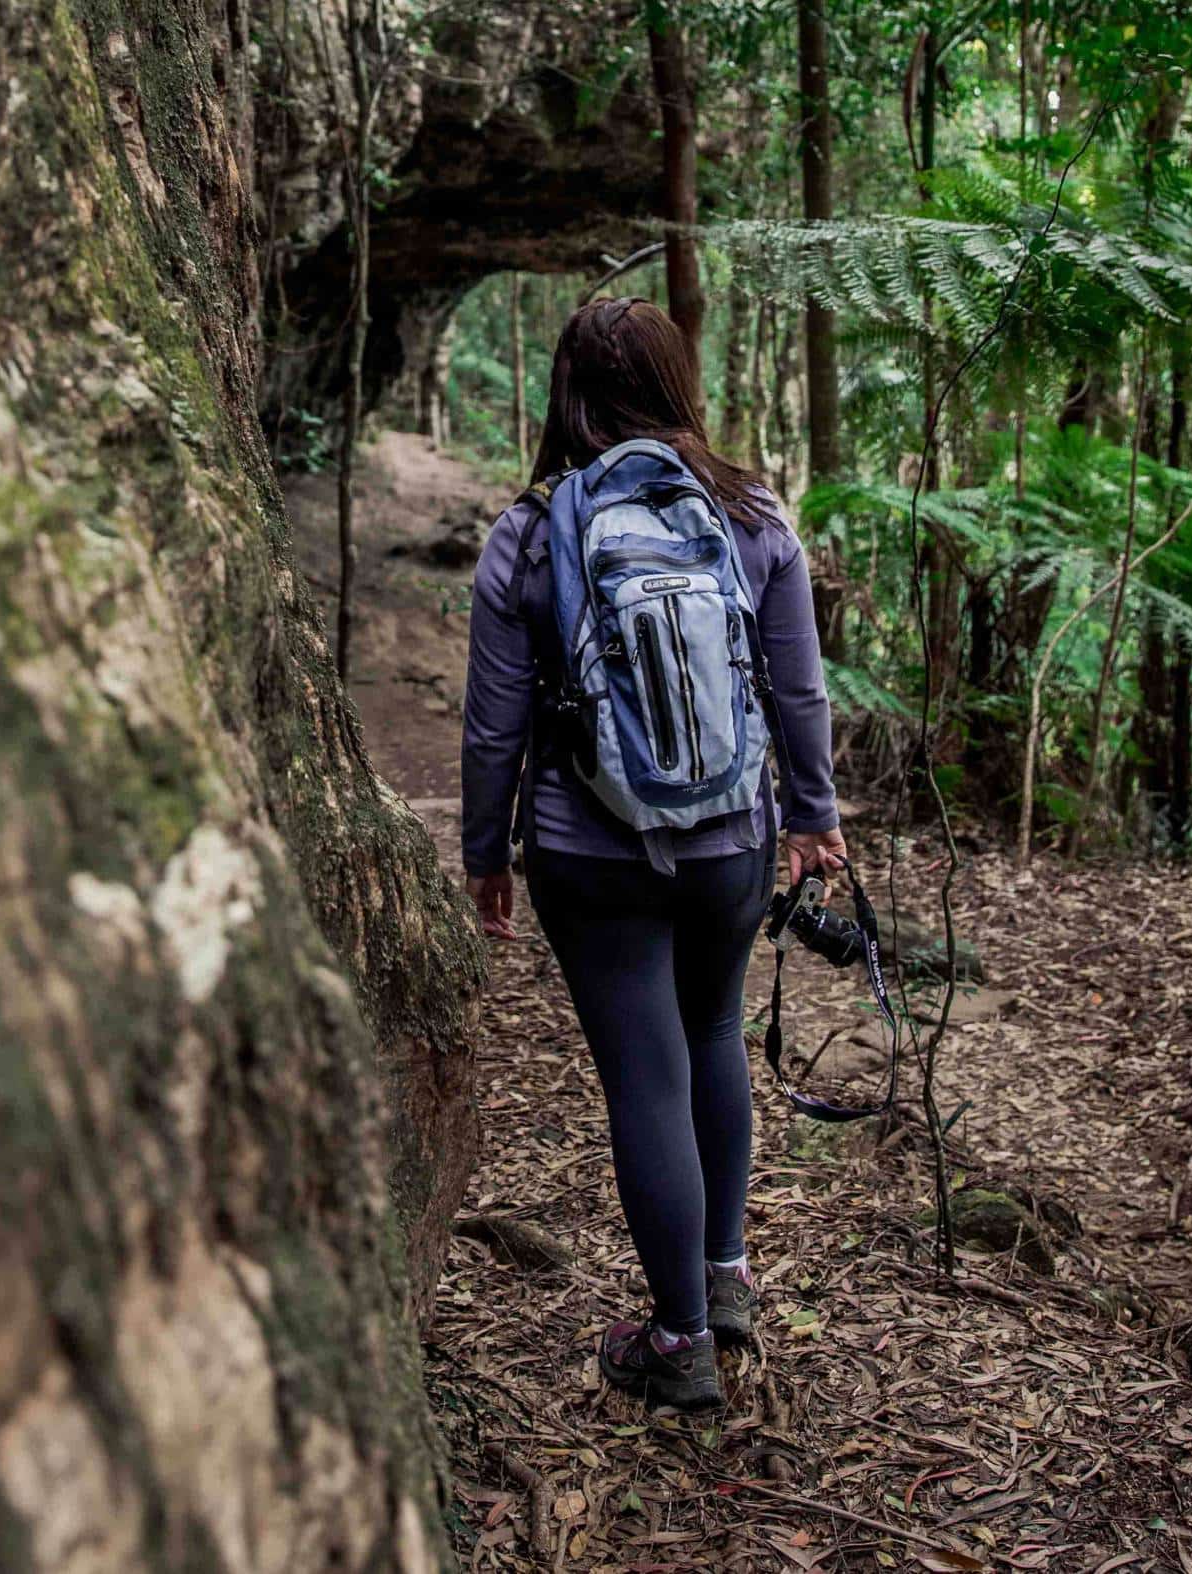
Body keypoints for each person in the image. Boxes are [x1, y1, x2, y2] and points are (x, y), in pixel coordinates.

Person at [460, 298, 844, 1410]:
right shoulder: (748, 511)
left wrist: (487, 850)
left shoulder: (531, 531)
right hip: (731, 835)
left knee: (643, 1071)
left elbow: (493, 724)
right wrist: (811, 815)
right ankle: (722, 1280)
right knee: (711, 1028)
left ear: (566, 394)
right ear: (679, 383)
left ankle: (679, 1345)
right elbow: (794, 684)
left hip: (589, 847)